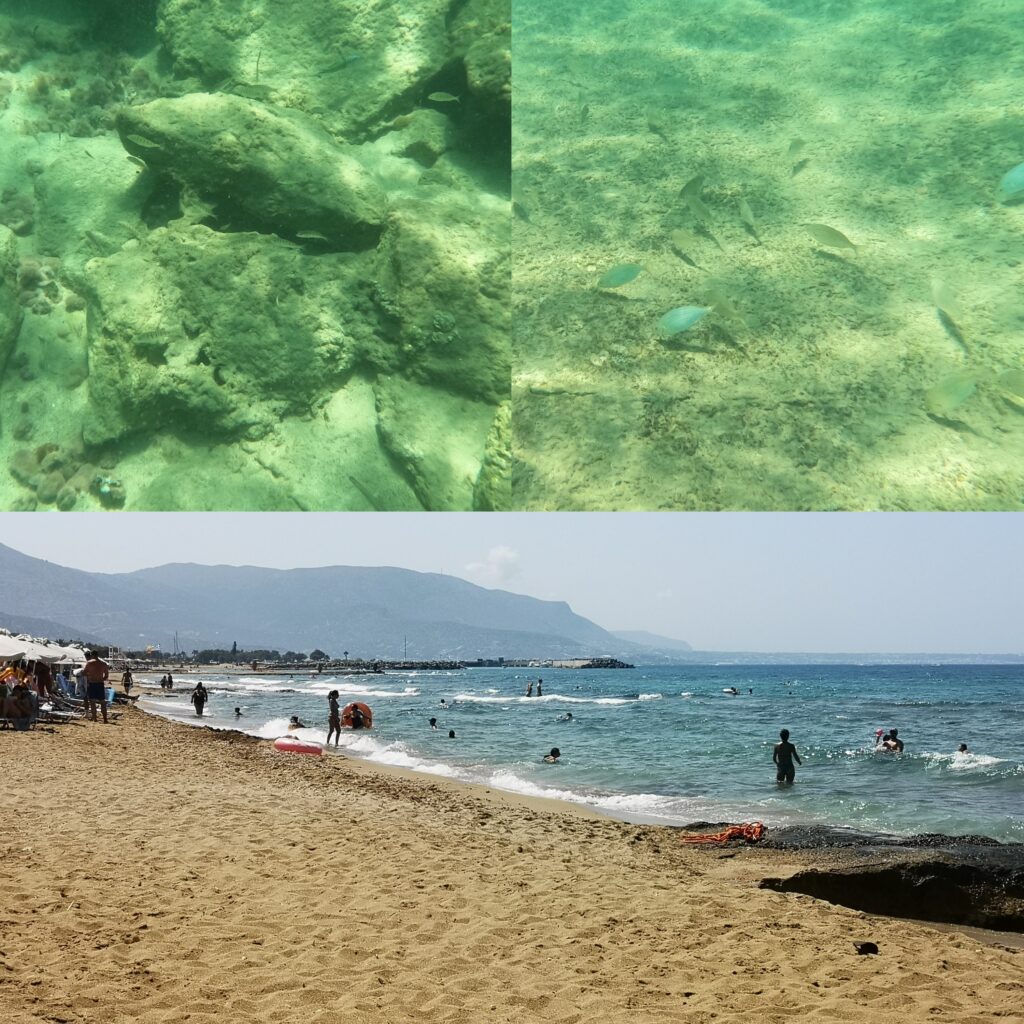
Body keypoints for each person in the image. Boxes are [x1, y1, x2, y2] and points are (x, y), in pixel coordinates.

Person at [82, 651, 111, 724]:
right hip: (100, 684)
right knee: (102, 702)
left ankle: (95, 718)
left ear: (92, 655)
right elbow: (106, 675)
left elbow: (84, 673)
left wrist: (90, 675)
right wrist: (101, 679)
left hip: (92, 683)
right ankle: (105, 719)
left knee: (92, 702)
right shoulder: (103, 664)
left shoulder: (89, 663)